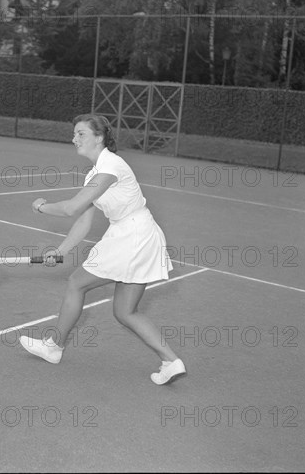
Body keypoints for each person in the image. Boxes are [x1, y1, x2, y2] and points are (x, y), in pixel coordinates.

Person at [19, 114, 186, 385]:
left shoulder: (111, 165)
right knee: (125, 311)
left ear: (99, 137)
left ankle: (53, 347)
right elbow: (83, 220)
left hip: (131, 235)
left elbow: (71, 207)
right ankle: (171, 361)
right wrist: (61, 250)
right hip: (139, 233)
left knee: (76, 283)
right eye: (74, 134)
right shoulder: (95, 173)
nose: (74, 139)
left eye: (81, 134)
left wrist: (41, 206)